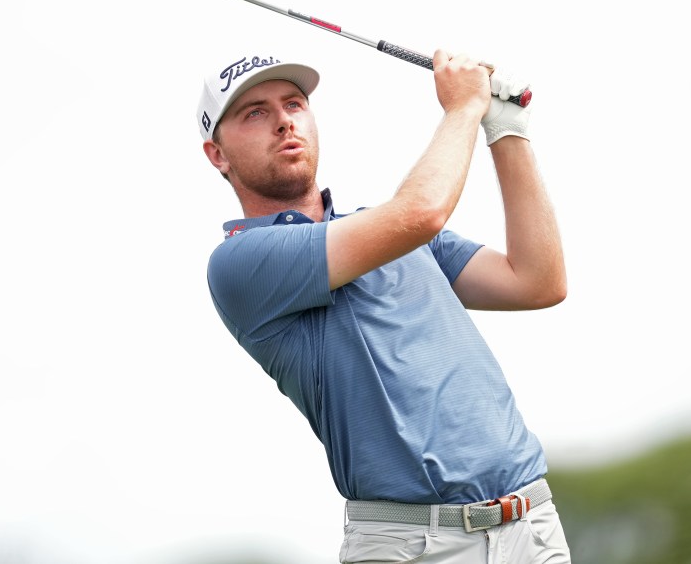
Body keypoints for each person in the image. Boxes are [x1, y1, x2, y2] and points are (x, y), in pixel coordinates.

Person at [198, 50, 571, 563]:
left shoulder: (397, 235)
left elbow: (536, 281)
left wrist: (506, 131)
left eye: (294, 104)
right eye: (254, 113)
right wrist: (463, 108)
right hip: (413, 546)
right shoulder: (240, 263)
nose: (284, 120)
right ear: (217, 154)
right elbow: (421, 212)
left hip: (531, 528)